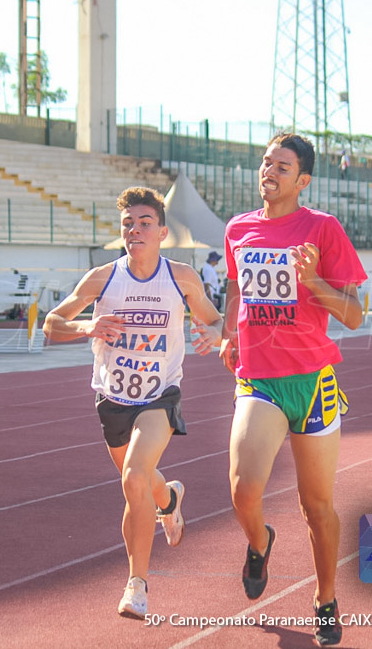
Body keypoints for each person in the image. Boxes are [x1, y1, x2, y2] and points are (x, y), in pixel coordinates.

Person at [43, 187, 223, 620]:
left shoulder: (180, 277)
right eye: (128, 223)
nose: (135, 229)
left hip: (160, 395)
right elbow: (51, 324)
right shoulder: (103, 277)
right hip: (113, 398)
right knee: (141, 483)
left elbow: (214, 318)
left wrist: (216, 334)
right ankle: (170, 501)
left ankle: (137, 584)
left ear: (163, 232)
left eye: (145, 223)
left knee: (133, 477)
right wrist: (89, 327)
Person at [221, 133, 367, 646]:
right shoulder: (238, 228)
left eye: (282, 166)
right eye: (265, 162)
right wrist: (227, 333)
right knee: (243, 490)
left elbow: (354, 314)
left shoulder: (322, 229)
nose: (269, 171)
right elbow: (236, 285)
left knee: (317, 507)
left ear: (302, 180)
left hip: (312, 385)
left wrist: (314, 284)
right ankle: (259, 543)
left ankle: (326, 598)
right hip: (259, 380)